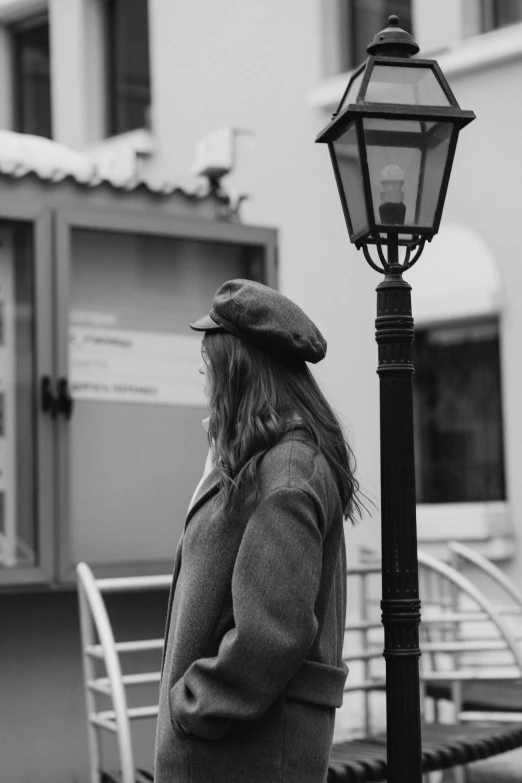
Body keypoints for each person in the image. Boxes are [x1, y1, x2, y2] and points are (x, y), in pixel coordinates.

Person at [154, 279, 363, 783]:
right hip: (240, 749)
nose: (204, 383)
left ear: (238, 371)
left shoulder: (287, 471)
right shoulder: (262, 460)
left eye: (209, 369)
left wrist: (195, 702)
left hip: (250, 754)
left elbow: (273, 632)